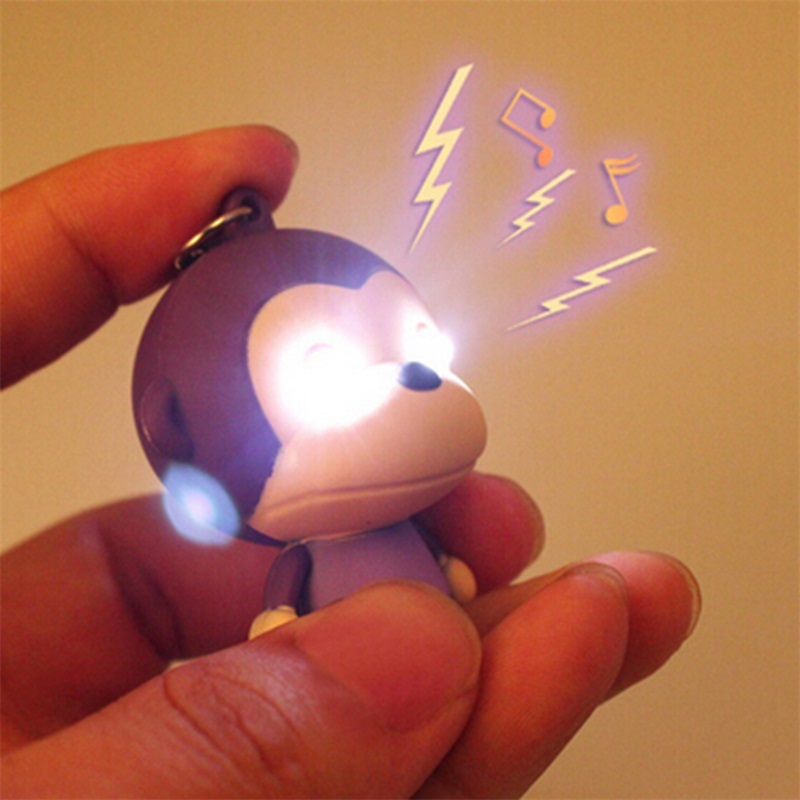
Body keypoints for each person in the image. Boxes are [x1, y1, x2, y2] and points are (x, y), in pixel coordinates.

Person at [0, 126, 701, 798]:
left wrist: (449, 571)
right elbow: (287, 589)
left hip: (439, 680)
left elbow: (434, 553)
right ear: (177, 429)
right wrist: (285, 633)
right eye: (323, 363)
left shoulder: (413, 517)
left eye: (417, 344)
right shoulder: (304, 550)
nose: (412, 378)